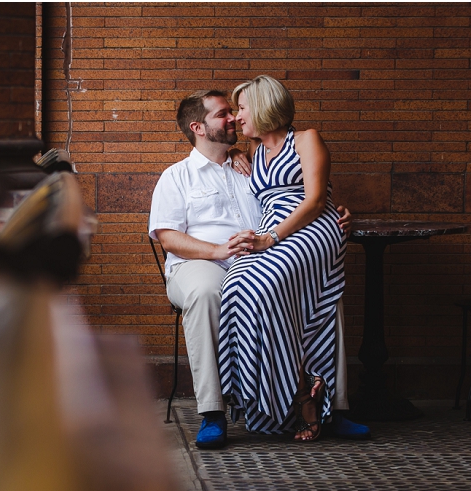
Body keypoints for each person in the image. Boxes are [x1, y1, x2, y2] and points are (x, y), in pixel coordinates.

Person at [148, 88, 369, 448]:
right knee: (209, 291)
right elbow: (169, 238)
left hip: (259, 258)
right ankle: (214, 411)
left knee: (324, 290)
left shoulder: (250, 164)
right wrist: (218, 249)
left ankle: (333, 407)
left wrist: (334, 208)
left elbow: (298, 191)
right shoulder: (178, 176)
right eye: (222, 114)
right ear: (198, 128)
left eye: (234, 111)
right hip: (199, 264)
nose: (233, 117)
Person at [218, 75, 348, 441]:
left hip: (312, 228)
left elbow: (316, 200)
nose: (238, 117)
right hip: (271, 231)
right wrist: (232, 152)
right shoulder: (256, 154)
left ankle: (305, 397)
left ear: (263, 106)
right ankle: (281, 391)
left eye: (242, 108)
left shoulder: (307, 139)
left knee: (263, 283)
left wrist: (270, 238)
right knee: (235, 286)